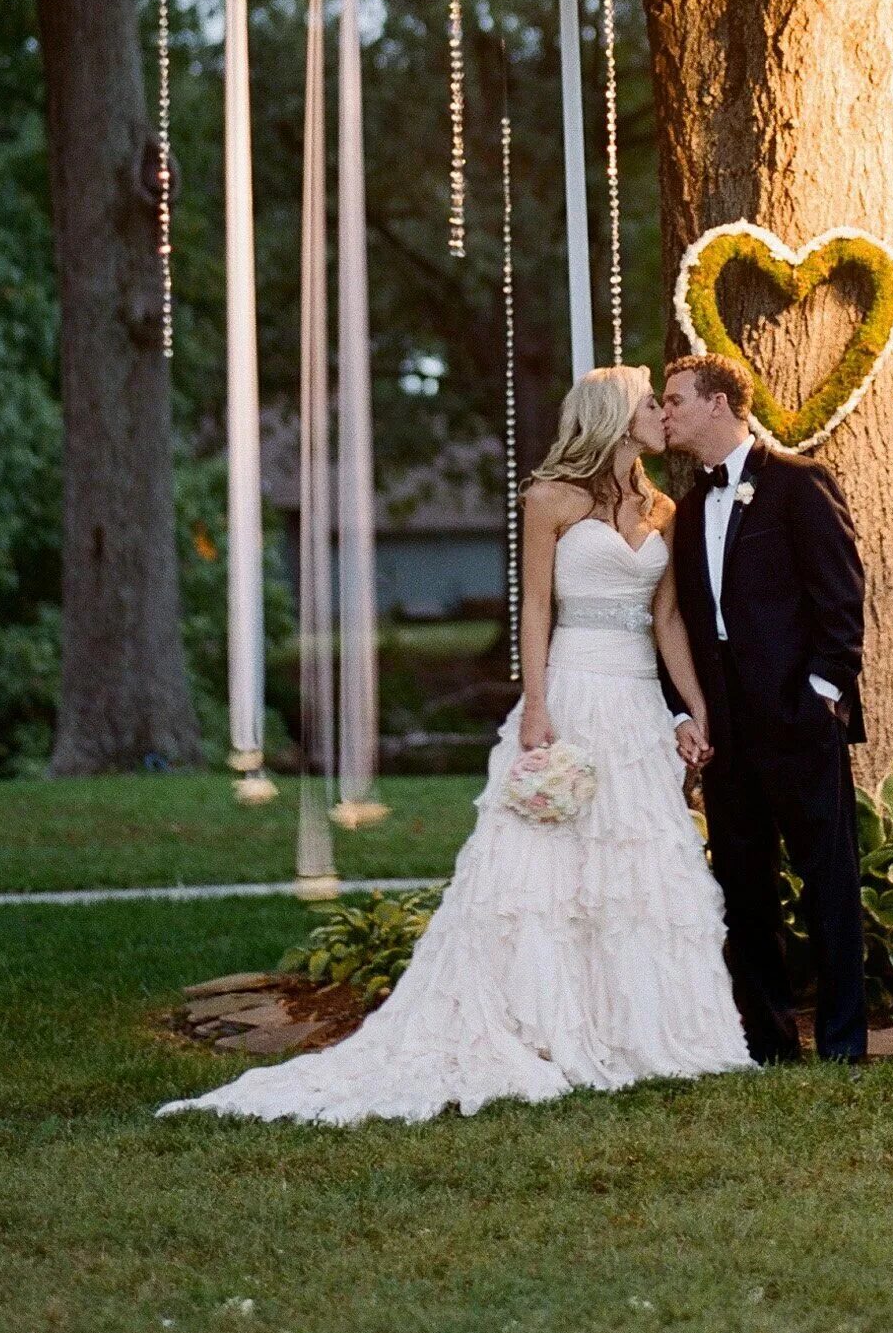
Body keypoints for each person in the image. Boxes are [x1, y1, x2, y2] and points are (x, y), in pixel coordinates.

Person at [159, 364, 753, 1123]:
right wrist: (535, 707)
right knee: (542, 878)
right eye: (648, 403)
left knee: (634, 873)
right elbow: (535, 610)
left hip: (637, 703)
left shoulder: (667, 508)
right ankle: (539, 1024)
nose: (660, 416)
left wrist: (693, 710)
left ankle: (637, 1026)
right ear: (611, 415)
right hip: (570, 693)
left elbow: (668, 622)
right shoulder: (550, 501)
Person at [661, 353, 868, 1065]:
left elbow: (840, 601)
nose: (666, 413)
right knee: (745, 893)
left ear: (718, 403)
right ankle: (771, 1044)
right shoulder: (687, 509)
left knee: (829, 883)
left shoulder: (799, 485)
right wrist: (686, 714)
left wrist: (822, 699)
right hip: (726, 734)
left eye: (676, 399)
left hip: (799, 723)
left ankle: (844, 1046)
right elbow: (680, 623)